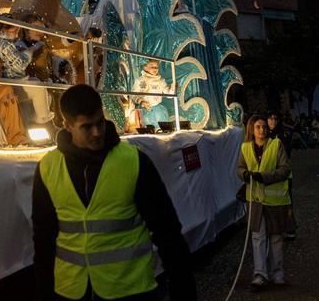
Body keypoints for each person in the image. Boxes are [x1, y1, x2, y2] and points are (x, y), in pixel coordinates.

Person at [32, 84, 196, 301]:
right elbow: (43, 237)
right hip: (70, 291)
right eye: (86, 127)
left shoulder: (133, 161)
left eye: (100, 122)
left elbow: (167, 231)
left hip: (131, 290)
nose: (97, 132)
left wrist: (183, 291)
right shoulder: (48, 167)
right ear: (67, 125)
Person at [237, 114, 293, 289]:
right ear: (252, 130)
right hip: (255, 201)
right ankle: (260, 275)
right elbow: (240, 168)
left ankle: (278, 274)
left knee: (276, 238)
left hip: (275, 201)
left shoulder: (276, 145)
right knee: (258, 238)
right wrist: (244, 174)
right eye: (258, 127)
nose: (262, 130)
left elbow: (285, 169)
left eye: (264, 127)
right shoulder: (245, 148)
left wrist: (264, 177)